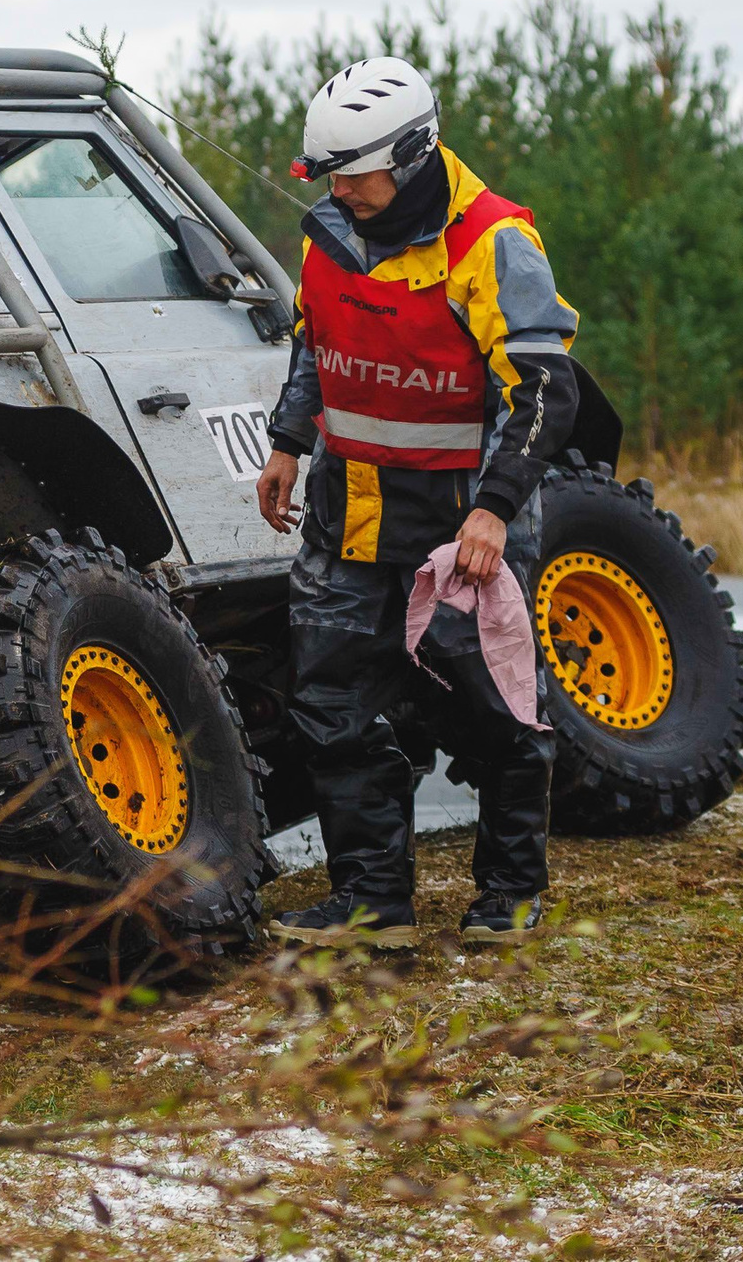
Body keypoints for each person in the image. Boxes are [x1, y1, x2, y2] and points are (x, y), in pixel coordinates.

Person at [253, 56, 578, 947]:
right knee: (332, 706)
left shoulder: (493, 240)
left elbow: (545, 391)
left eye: (354, 174)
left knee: (496, 708)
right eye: (328, 175)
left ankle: (509, 892)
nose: (339, 191)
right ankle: (372, 902)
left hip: (462, 518)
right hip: (348, 510)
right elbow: (315, 344)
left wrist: (495, 508)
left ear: (412, 153)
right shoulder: (330, 230)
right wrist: (287, 442)